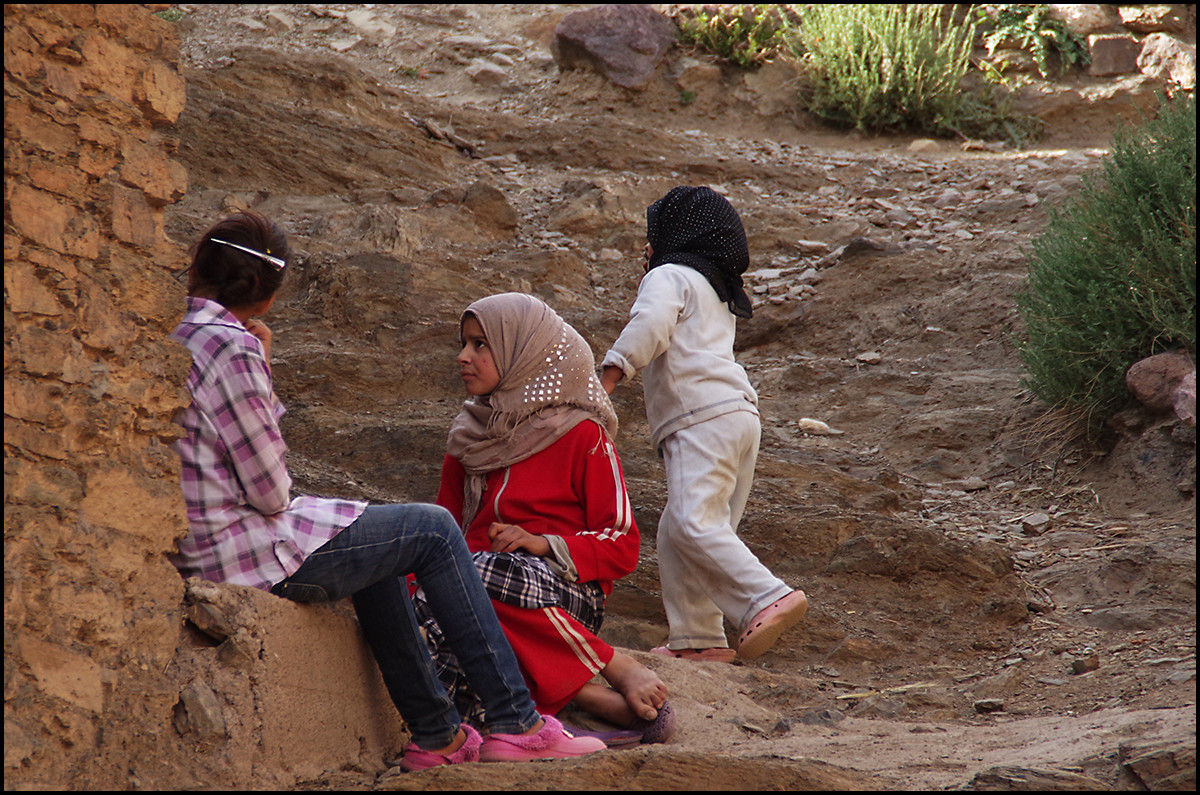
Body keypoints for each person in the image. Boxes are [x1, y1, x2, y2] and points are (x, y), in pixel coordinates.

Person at [168, 211, 605, 771]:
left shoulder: (177, 333)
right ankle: (515, 723)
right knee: (433, 529)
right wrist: (262, 372)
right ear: (268, 299)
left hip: (201, 544)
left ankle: (440, 736)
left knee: (380, 543)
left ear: (196, 267)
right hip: (239, 553)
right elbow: (272, 492)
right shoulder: (233, 348)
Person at [414, 292, 672, 744]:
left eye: (480, 345)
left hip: (562, 595)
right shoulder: (467, 443)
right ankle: (577, 701)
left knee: (476, 570)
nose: (463, 356)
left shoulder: (582, 435)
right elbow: (445, 535)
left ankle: (612, 664)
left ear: (523, 352)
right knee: (422, 618)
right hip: (479, 590)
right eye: (465, 343)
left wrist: (542, 543)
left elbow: (622, 543)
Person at [599, 186, 808, 663]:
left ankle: (766, 596)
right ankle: (697, 638)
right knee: (684, 528)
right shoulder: (714, 289)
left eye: (652, 236)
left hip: (700, 419)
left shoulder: (668, 275)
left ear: (678, 236)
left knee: (693, 522)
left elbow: (651, 323)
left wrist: (611, 373)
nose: (645, 249)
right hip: (737, 417)